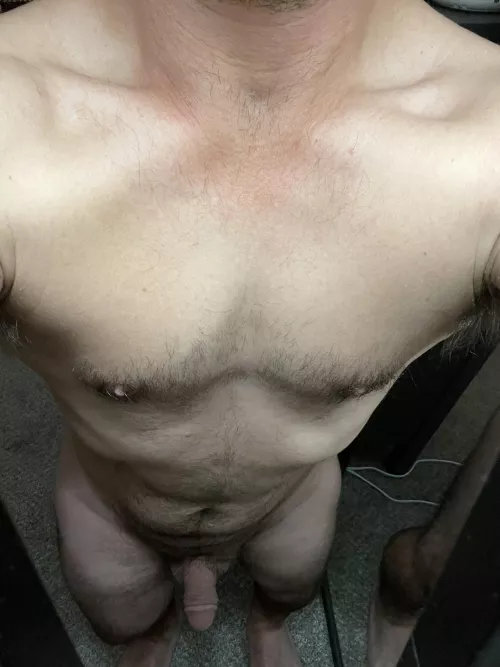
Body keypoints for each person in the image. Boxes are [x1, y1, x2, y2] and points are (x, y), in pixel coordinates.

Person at [0, 0, 499, 665]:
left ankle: (266, 627)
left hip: (290, 498)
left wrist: (429, 569)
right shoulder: (16, 111)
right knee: (123, 623)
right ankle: (152, 637)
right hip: (110, 502)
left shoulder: (486, 132)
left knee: (289, 590)